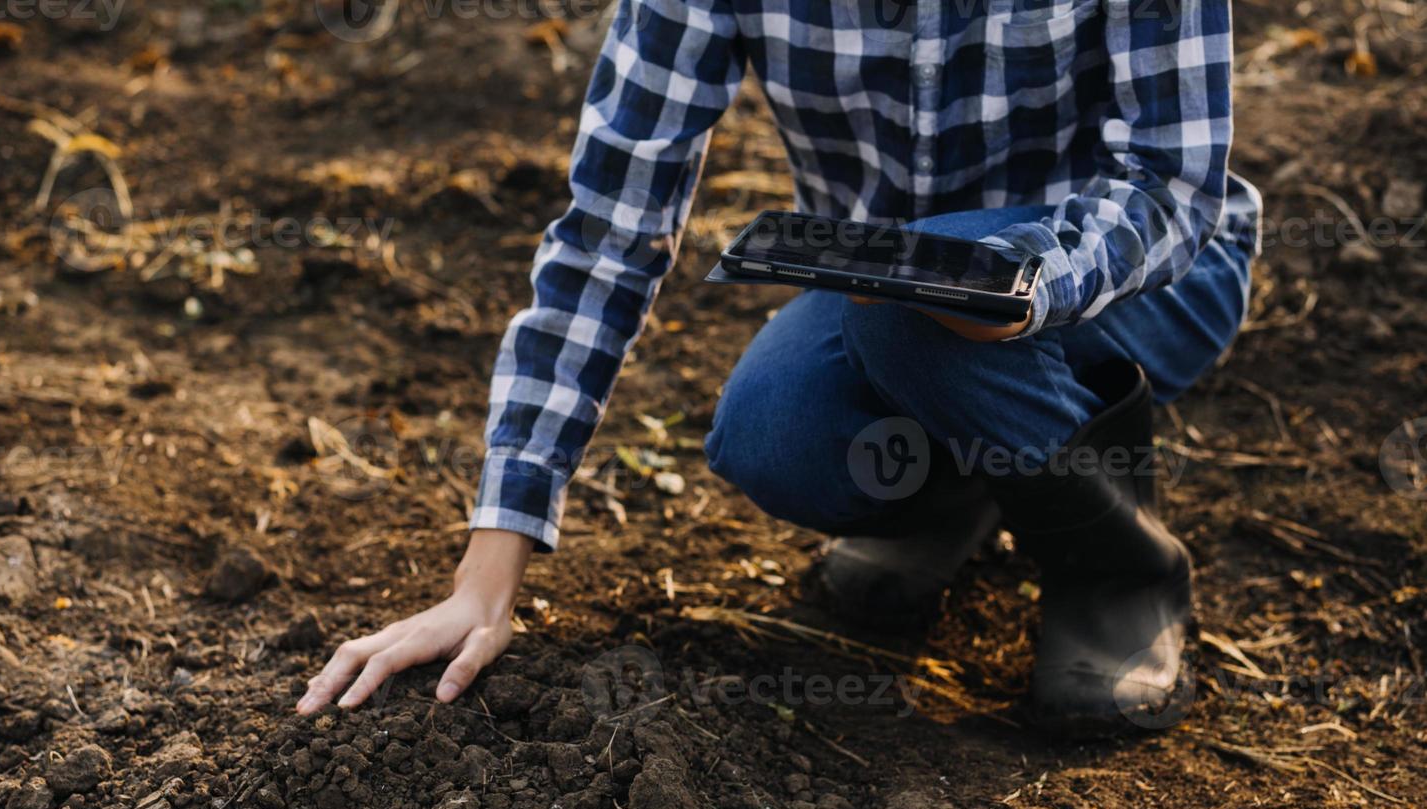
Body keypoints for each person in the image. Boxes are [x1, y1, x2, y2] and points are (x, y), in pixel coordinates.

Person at [296, 0, 1261, 733]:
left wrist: (1024, 287)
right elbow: (608, 234)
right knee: (777, 434)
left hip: (1140, 273)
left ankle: (1119, 569)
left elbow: (1171, 185)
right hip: (886, 299)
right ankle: (971, 478)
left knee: (915, 310)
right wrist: (488, 569)